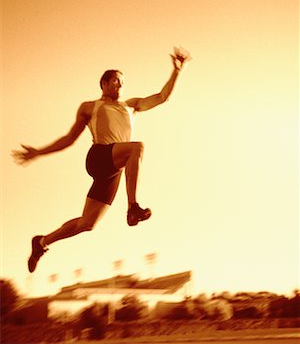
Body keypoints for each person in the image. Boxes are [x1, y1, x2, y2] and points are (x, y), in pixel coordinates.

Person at [12, 47, 191, 273]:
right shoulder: (90, 107)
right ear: (104, 84)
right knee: (137, 148)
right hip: (99, 156)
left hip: (114, 168)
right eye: (116, 81)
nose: (120, 85)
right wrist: (39, 151)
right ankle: (133, 207)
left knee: (88, 224)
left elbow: (161, 97)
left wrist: (177, 71)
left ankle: (42, 242)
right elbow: (69, 138)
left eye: (122, 82)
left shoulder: (131, 106)